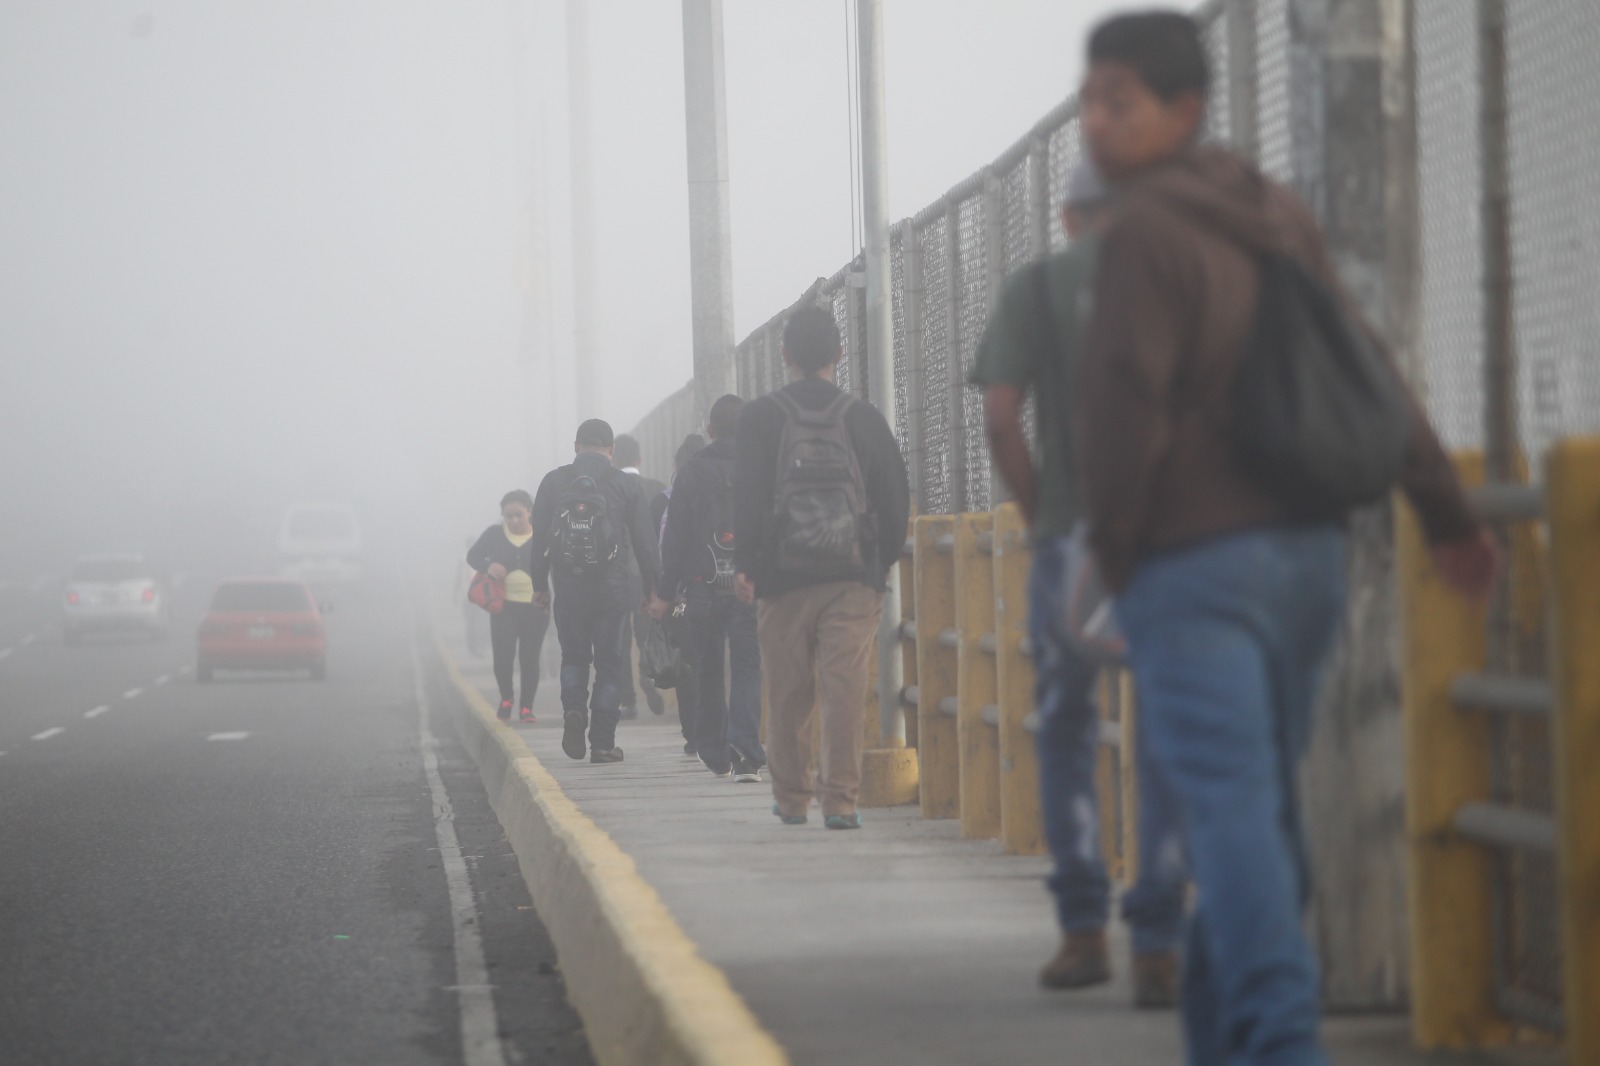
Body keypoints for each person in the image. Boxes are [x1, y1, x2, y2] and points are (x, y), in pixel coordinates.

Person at [1074, 13, 1499, 1064]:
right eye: (1088, 97)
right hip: (1304, 561)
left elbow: (1125, 406)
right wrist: (1443, 506)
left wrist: (1112, 563)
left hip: (1192, 567)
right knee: (1260, 812)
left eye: (1115, 98)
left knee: (1230, 817)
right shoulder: (1275, 215)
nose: (1094, 119)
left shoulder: (1140, 233)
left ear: (1184, 111)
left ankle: (1278, 1041)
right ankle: (1232, 1042)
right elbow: (1363, 359)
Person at [972, 159, 1186, 1008]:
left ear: (1068, 217)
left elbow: (998, 417)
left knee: (1065, 726)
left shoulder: (1036, 289)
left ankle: (1086, 930)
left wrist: (1040, 510)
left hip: (1074, 539)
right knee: (1164, 730)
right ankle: (1162, 941)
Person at [733, 305, 910, 829]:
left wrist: (747, 563)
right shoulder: (862, 416)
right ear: (838, 354)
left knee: (786, 692)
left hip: (782, 578)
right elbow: (895, 497)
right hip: (852, 579)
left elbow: (747, 496)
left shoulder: (760, 417)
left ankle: (791, 799)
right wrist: (878, 564)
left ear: (784, 356)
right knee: (844, 690)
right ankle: (841, 802)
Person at [649, 395, 766, 782]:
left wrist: (665, 593)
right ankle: (747, 751)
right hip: (750, 584)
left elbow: (676, 538)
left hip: (702, 585)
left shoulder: (692, 471)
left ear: (710, 430)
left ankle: (715, 753)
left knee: (708, 666)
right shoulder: (761, 465)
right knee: (748, 666)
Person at [530, 419, 660, 764]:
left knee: (573, 658)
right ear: (612, 450)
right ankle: (602, 743)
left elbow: (539, 540)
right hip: (613, 590)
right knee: (610, 664)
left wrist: (539, 585)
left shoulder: (553, 482)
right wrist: (652, 589)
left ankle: (574, 710)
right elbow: (646, 544)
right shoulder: (624, 484)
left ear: (575, 446)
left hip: (569, 588)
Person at [466, 490, 550, 722]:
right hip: (504, 608)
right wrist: (488, 565)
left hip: (536, 608)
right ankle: (506, 698)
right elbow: (472, 556)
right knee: (503, 656)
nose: (513, 520)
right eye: (508, 516)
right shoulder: (494, 534)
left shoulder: (543, 535)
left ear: (529, 512)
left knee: (529, 658)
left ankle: (526, 707)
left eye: (518, 515)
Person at [652, 432, 708, 758]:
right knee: (724, 664)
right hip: (730, 589)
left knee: (689, 663)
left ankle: (693, 734)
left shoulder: (666, 500)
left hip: (683, 595)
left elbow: (664, 549)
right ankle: (725, 728)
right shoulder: (729, 488)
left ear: (676, 465)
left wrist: (663, 593)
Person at [612, 433, 667, 719]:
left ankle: (627, 701)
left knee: (619, 638)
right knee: (646, 635)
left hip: (617, 575)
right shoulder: (657, 489)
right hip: (651, 575)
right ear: (639, 459)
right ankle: (648, 676)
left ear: (612, 457)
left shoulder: (606, 488)